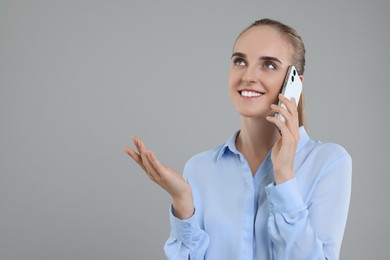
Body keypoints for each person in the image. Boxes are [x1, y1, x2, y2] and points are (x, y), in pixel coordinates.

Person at [124, 18, 352, 260]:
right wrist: (182, 202)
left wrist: (284, 176)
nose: (248, 76)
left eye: (269, 65)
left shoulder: (329, 162)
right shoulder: (199, 168)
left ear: (294, 83)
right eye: (240, 61)